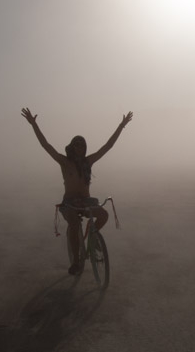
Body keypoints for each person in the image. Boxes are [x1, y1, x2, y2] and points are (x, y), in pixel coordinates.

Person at [20, 108, 133, 274]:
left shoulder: (88, 162)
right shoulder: (64, 162)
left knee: (103, 215)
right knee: (73, 224)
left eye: (82, 144)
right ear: (71, 147)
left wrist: (121, 125)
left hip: (86, 202)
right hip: (70, 203)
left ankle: (92, 240)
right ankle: (76, 260)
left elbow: (108, 146)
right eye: (76, 144)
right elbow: (46, 145)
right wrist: (34, 124)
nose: (80, 147)